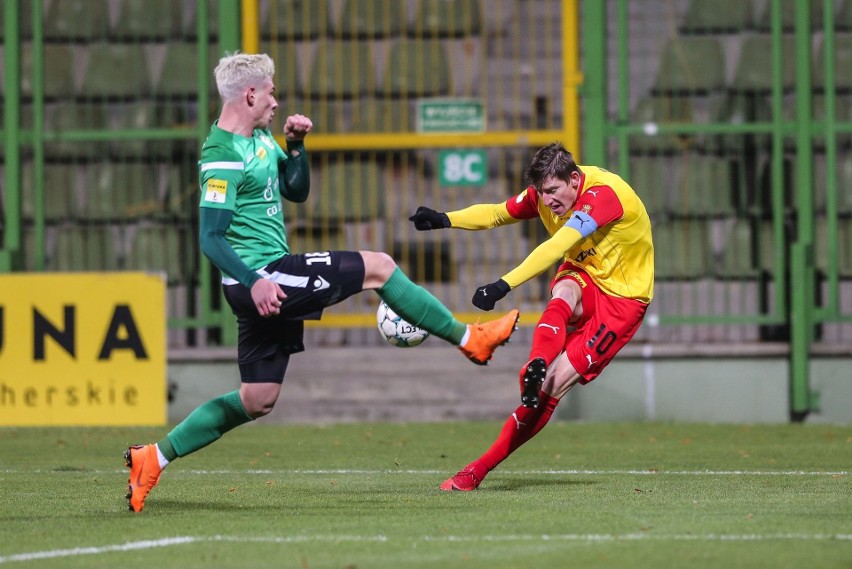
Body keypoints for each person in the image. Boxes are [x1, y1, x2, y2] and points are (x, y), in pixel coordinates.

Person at [124, 52, 519, 512]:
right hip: (264, 275)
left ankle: (153, 457)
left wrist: (295, 146)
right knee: (381, 266)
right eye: (270, 91)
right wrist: (254, 281)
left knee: (257, 399)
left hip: (265, 279)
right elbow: (210, 239)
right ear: (249, 94)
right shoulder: (222, 155)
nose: (275, 100)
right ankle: (471, 338)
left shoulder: (260, 139)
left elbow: (295, 189)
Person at [409, 142, 654, 491]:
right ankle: (536, 363)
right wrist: (444, 220)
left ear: (574, 179)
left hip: (623, 300)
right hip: (587, 274)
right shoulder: (546, 194)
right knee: (564, 291)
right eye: (542, 192)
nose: (548, 200)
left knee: (552, 387)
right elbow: (497, 213)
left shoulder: (604, 196)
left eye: (553, 191)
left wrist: (502, 285)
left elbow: (556, 246)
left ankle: (482, 461)